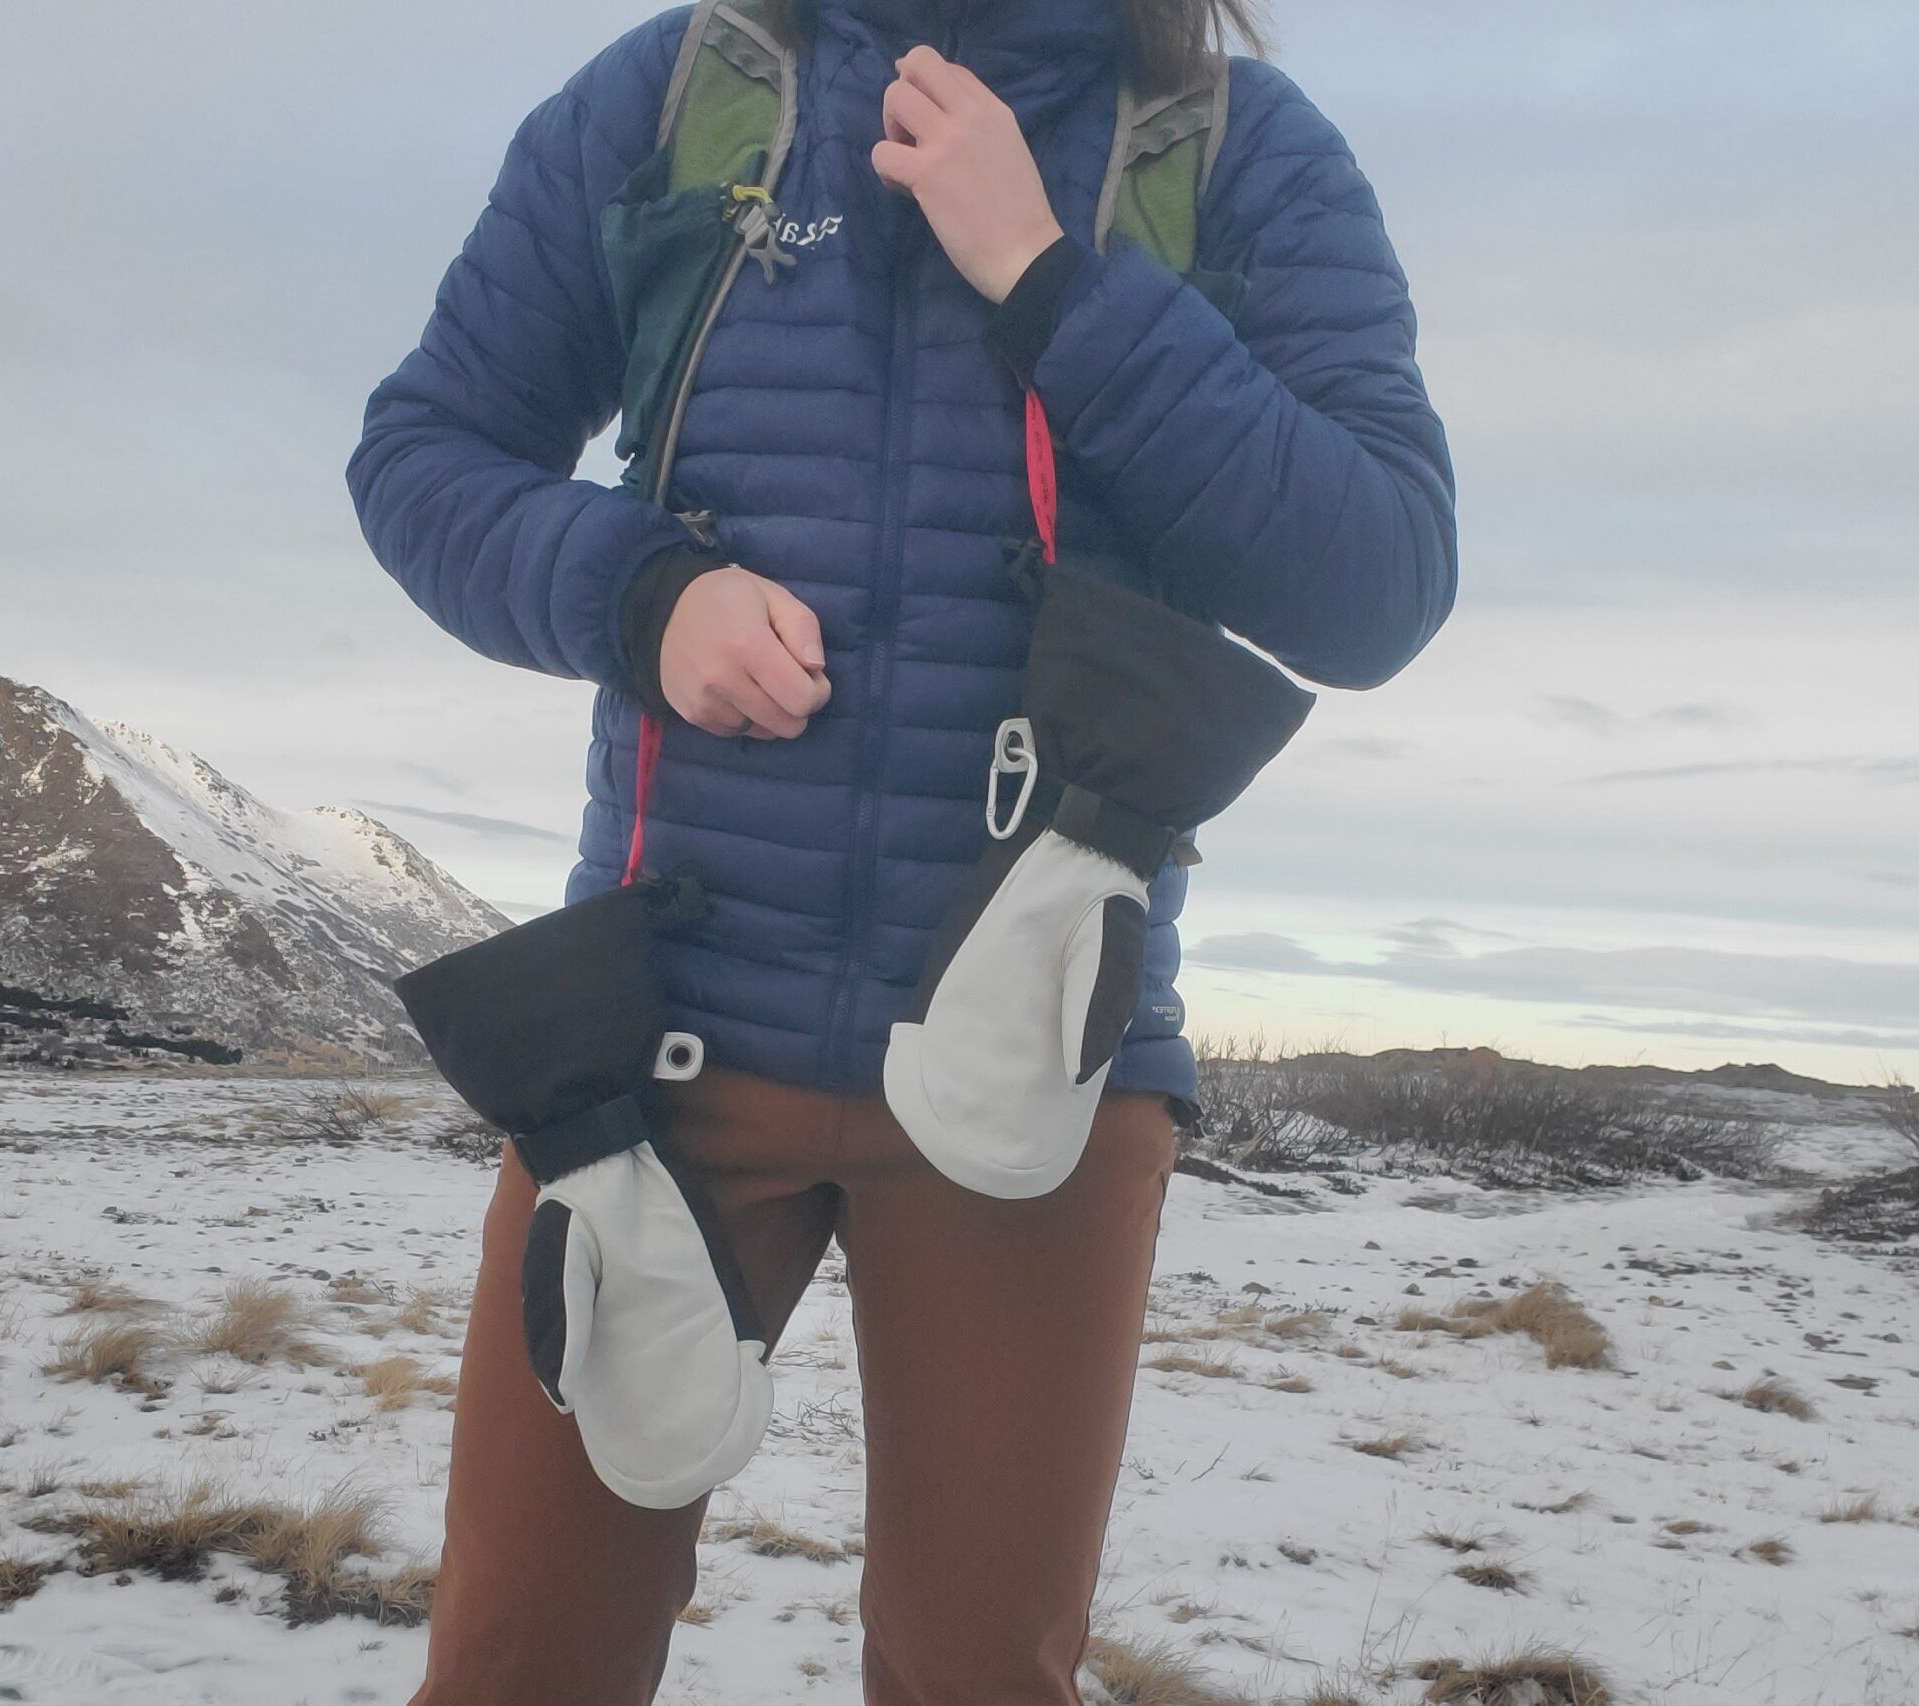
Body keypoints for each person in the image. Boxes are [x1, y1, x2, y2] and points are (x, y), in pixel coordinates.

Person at [346, 1, 1456, 1700]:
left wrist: (1051, 280)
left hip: (1044, 1071)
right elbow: (424, 452)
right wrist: (641, 596)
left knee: (979, 1679)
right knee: (516, 1664)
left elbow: (1379, 578)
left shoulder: (1230, 148)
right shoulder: (679, 102)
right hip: (657, 1044)